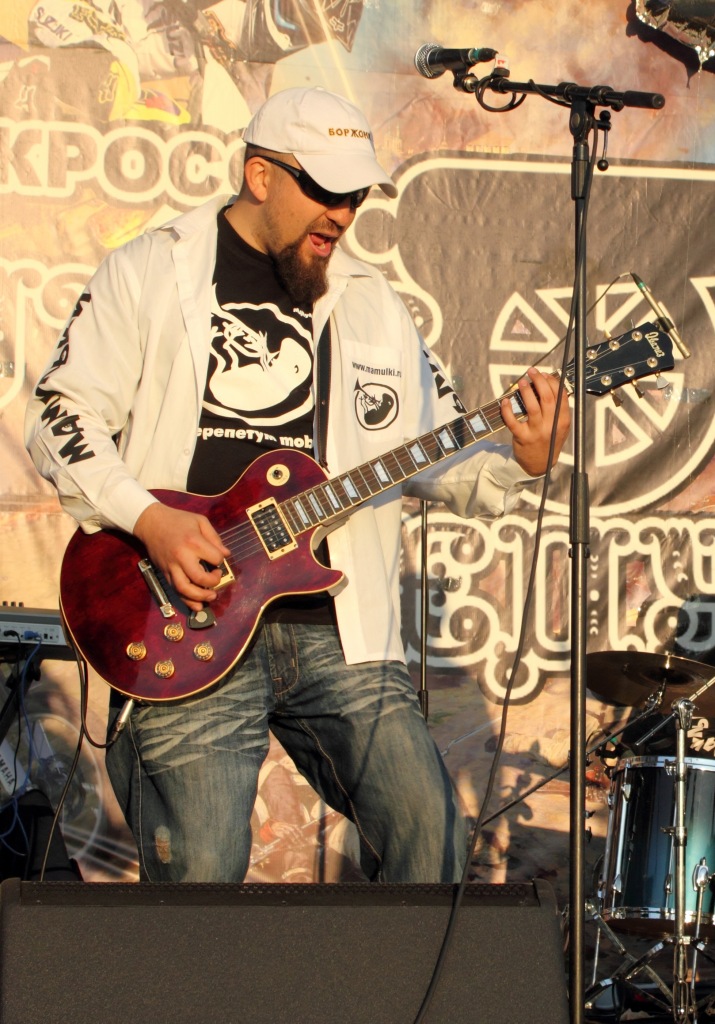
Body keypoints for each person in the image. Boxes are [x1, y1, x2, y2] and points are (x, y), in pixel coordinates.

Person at [25, 85, 571, 883]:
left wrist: (523, 460)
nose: (342, 213)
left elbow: (436, 452)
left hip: (338, 629)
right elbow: (59, 414)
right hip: (185, 617)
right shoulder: (151, 268)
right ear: (259, 175)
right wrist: (149, 521)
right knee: (201, 878)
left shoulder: (373, 304)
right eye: (323, 190)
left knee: (429, 842)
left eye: (354, 195)